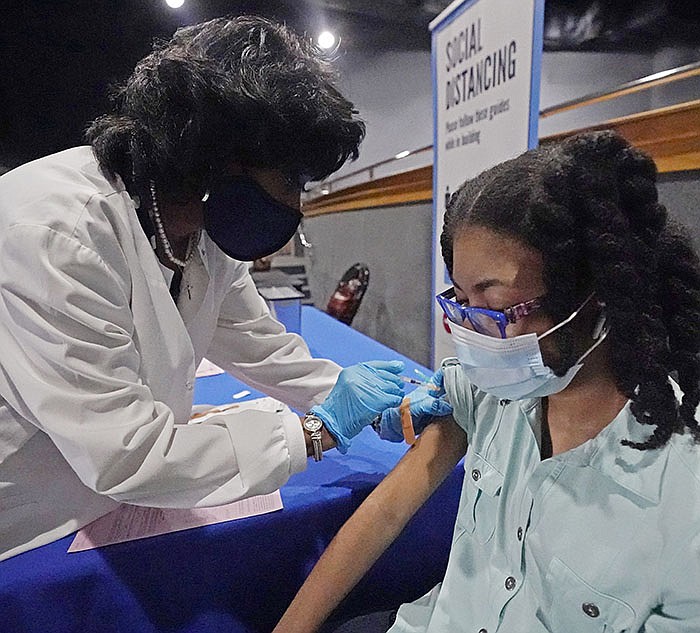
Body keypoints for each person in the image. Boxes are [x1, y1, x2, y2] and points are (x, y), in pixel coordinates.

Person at [0, 15, 412, 562]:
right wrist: (316, 432)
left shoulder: (198, 225)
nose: (296, 204)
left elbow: (257, 342)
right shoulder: (57, 233)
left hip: (104, 488)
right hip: (30, 505)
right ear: (217, 155)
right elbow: (127, 456)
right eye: (290, 180)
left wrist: (360, 397)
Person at [274, 130, 700, 633]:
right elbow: (383, 515)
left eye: (495, 307)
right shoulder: (491, 393)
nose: (473, 336)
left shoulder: (681, 493)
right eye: (461, 302)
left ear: (595, 294)